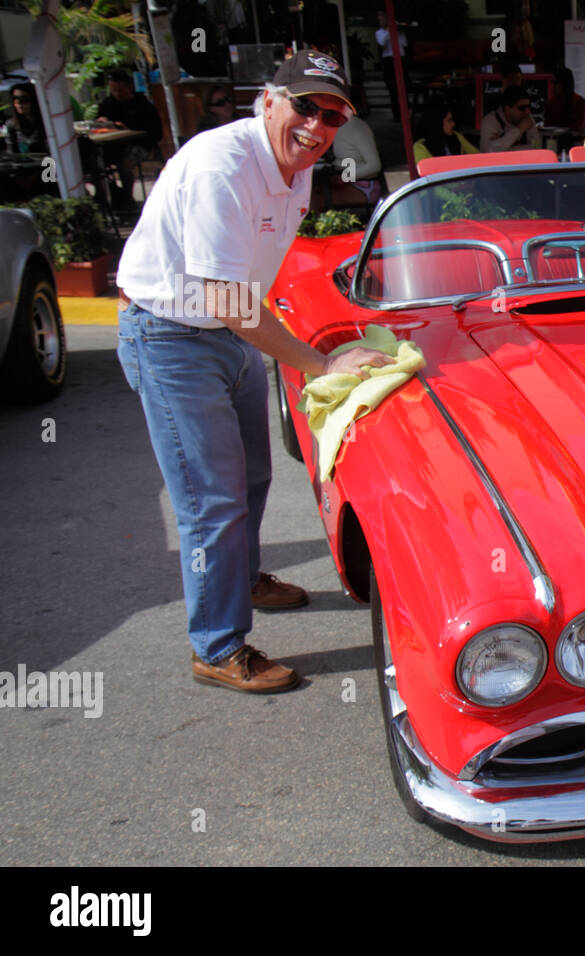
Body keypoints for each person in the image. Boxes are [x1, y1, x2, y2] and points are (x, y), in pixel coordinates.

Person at [114, 51, 394, 694]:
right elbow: (227, 298)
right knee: (211, 499)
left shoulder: (293, 165)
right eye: (305, 106)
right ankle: (216, 646)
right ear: (268, 99)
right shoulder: (223, 166)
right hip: (172, 336)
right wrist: (321, 361)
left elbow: (253, 280)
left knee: (254, 477)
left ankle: (239, 580)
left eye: (332, 114)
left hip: (230, 335)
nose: (317, 125)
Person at [95, 69, 163, 209]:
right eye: (114, 90)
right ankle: (103, 199)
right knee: (96, 162)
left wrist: (128, 127)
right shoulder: (108, 104)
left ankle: (127, 199)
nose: (117, 94)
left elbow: (155, 132)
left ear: (129, 87)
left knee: (124, 164)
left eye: (120, 90)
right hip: (113, 145)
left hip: (141, 144)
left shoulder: (143, 105)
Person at [327, 113, 384, 206]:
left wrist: (345, 178)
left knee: (316, 197)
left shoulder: (357, 129)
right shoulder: (334, 127)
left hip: (364, 185)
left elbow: (375, 165)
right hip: (341, 178)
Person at [481, 85, 541, 152]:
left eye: (528, 107)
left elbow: (537, 148)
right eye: (522, 108)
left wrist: (504, 146)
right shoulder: (491, 121)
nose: (527, 111)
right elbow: (489, 150)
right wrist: (519, 129)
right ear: (508, 109)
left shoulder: (527, 118)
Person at [375, 11, 410, 115]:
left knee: (404, 86)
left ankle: (406, 111)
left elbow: (405, 44)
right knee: (392, 88)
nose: (381, 21)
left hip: (400, 59)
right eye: (379, 20)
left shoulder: (399, 32)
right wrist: (390, 30)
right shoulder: (379, 32)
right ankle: (396, 113)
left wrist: (399, 30)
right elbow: (382, 42)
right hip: (389, 61)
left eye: (383, 19)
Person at [4, 82, 47, 153]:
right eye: (15, 99)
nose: (18, 103)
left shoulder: (46, 122)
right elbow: (11, 151)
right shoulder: (12, 124)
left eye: (24, 99)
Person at [545, 67, 585, 133]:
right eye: (553, 82)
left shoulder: (580, 102)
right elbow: (547, 126)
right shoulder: (551, 103)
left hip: (573, 140)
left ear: (565, 83)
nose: (553, 86)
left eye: (556, 82)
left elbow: (578, 127)